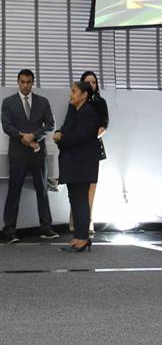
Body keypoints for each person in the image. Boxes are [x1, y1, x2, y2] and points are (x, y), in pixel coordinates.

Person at [1, 69, 58, 243]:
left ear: (33, 83)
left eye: (28, 82)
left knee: (42, 190)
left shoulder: (43, 102)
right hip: (17, 154)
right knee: (14, 191)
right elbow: (7, 126)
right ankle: (9, 230)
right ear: (18, 82)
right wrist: (24, 138)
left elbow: (50, 125)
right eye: (22, 82)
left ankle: (46, 228)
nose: (25, 85)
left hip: (38, 153)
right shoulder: (8, 102)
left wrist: (33, 136)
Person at [54, 81, 102, 252]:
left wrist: (61, 138)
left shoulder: (89, 113)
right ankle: (78, 235)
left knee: (81, 200)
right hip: (73, 163)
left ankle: (83, 237)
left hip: (83, 163)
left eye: (74, 91)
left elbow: (78, 137)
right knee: (74, 198)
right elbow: (65, 130)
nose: (71, 94)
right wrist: (59, 134)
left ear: (84, 95)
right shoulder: (75, 111)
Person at [72, 71, 108, 237]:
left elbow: (104, 124)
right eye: (88, 82)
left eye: (94, 82)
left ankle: (88, 219)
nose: (91, 85)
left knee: (91, 186)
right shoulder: (75, 100)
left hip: (93, 146)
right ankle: (75, 219)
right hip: (77, 146)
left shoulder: (100, 102)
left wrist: (94, 135)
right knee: (76, 185)